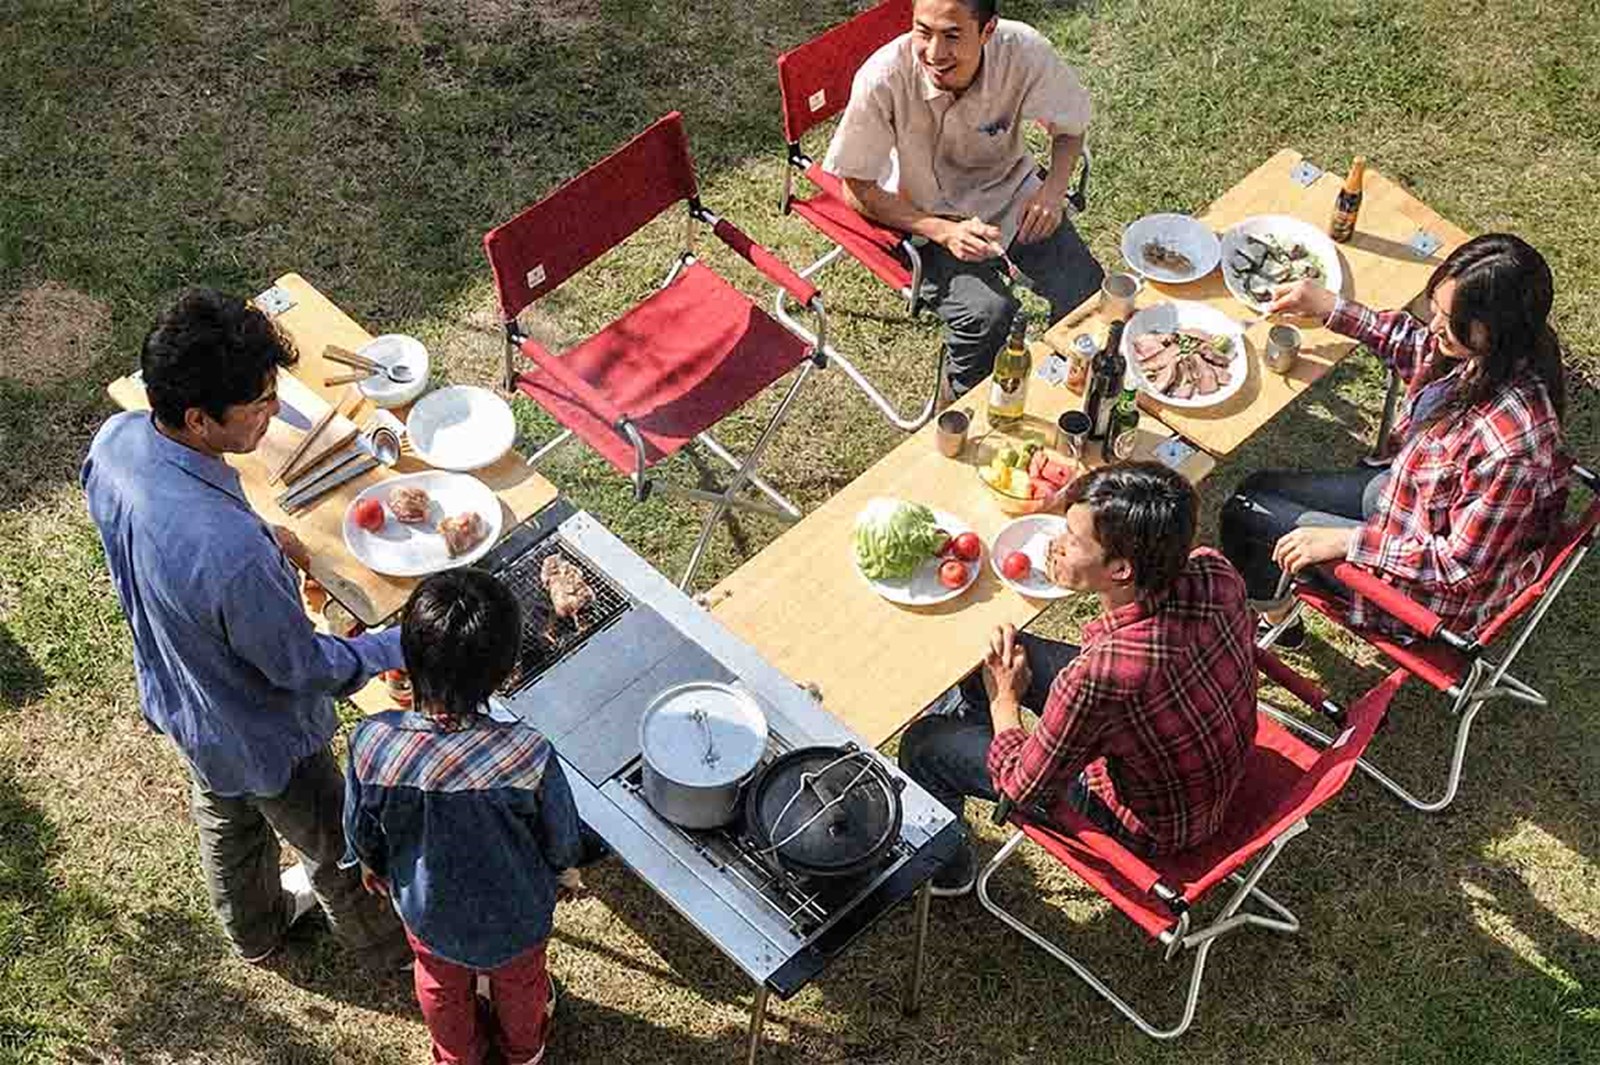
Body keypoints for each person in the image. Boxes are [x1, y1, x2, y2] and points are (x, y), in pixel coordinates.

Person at [81, 288, 408, 966]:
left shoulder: (116, 442)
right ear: (198, 418)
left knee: (226, 816)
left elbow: (172, 539)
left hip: (181, 696)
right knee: (336, 843)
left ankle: (255, 933)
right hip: (265, 733)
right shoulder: (231, 558)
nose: (274, 412)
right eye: (259, 404)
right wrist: (399, 643)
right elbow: (303, 667)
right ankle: (386, 948)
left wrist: (258, 532)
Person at [899, 463, 1258, 895]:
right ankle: (966, 728)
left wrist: (1004, 700)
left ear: (1121, 570)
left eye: (1072, 538)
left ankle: (950, 871)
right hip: (1207, 776)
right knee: (1001, 655)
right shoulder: (1213, 569)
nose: (1056, 543)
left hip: (1146, 828)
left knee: (923, 744)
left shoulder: (1099, 676)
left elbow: (1021, 787)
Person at [1219, 234, 1572, 648]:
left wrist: (1347, 542)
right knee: (1258, 487)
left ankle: (1279, 622)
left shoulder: (1512, 452)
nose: (1435, 327)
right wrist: (1328, 306)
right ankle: (1281, 609)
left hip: (1420, 594)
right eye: (1436, 309)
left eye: (1451, 320)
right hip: (1406, 503)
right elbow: (1419, 348)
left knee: (1245, 513)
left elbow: (1458, 568)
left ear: (1498, 328)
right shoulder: (1492, 353)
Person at [343, 569, 582, 1065]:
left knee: (440, 986)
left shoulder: (372, 743)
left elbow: (361, 829)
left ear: (408, 658)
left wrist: (370, 862)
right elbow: (560, 835)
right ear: (503, 670)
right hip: (518, 915)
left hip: (431, 914)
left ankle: (457, 1055)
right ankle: (524, 1051)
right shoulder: (528, 752)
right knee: (522, 984)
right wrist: (563, 869)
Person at [824, 0, 1105, 400]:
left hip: (1010, 194)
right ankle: (957, 407)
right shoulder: (883, 78)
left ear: (988, 30)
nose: (934, 53)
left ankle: (1056, 387)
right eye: (923, 31)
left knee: (1085, 289)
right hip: (923, 216)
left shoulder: (1022, 49)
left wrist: (1053, 190)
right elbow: (856, 188)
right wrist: (942, 231)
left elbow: (1070, 126)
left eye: (952, 36)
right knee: (987, 316)